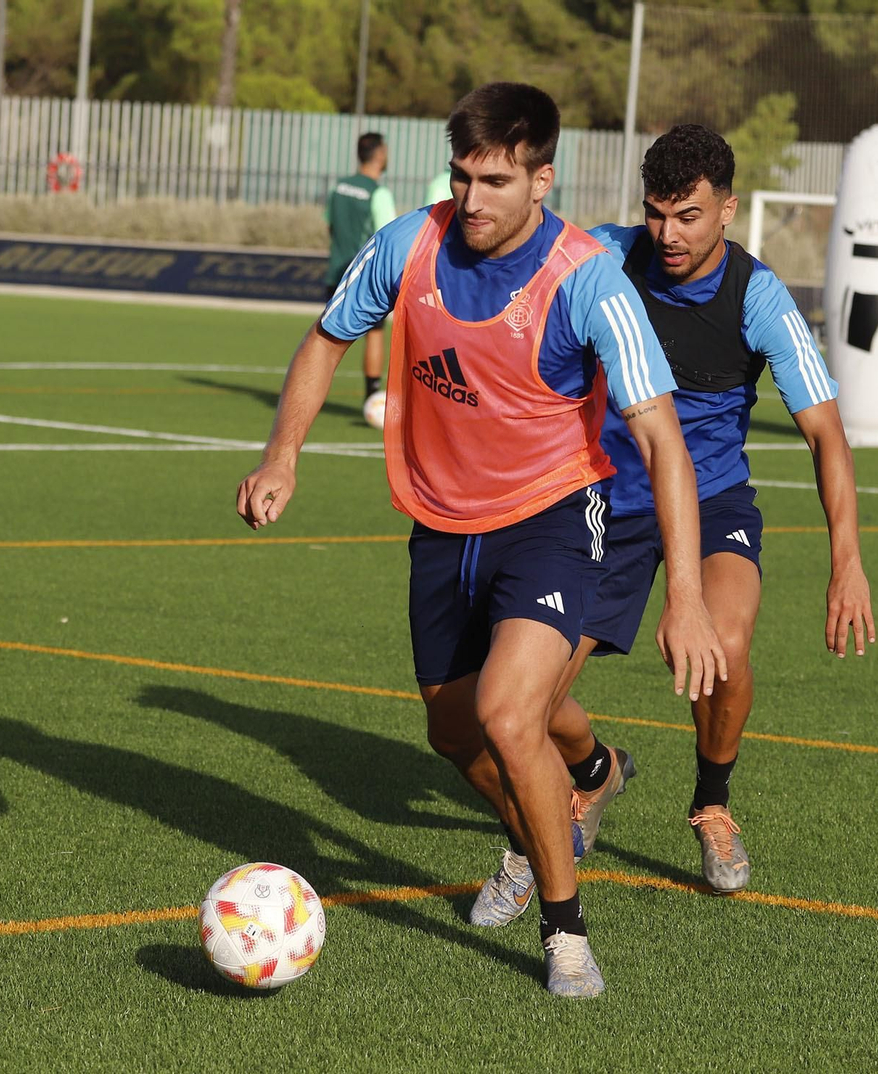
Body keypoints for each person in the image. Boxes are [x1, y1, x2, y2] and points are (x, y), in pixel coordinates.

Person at [236, 83, 726, 998]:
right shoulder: (407, 245)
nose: (470, 198)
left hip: (553, 516)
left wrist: (688, 598)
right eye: (461, 176)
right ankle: (572, 797)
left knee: (508, 713)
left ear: (542, 179)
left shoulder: (588, 279)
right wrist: (282, 456)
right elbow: (327, 337)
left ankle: (564, 929)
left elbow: (663, 440)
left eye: (495, 181)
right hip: (441, 523)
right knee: (451, 732)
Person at [467, 123, 875, 916]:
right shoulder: (602, 257)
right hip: (604, 504)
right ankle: (594, 772)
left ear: (727, 209)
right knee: (525, 702)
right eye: (656, 214)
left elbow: (826, 433)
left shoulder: (757, 296)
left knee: (725, 644)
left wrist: (847, 563)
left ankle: (712, 804)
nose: (668, 234)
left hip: (713, 498)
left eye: (688, 215)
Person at [326, 132, 397, 404]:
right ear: (380, 154)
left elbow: (330, 226)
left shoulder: (339, 187)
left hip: (336, 271)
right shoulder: (378, 192)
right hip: (364, 277)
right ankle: (372, 398)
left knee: (328, 340)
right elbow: (388, 238)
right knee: (375, 334)